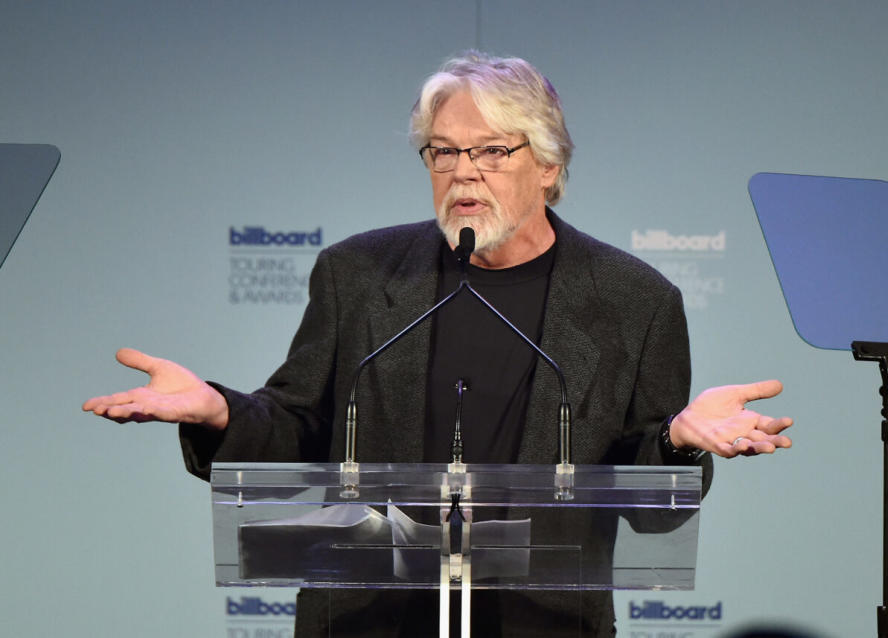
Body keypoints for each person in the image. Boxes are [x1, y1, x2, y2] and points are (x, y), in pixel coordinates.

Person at [83, 51, 793, 637]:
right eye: (443, 151)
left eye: (491, 151)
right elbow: (300, 427)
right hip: (366, 620)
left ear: (548, 166)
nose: (462, 173)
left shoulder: (635, 300)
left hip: (543, 624)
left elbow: (644, 498)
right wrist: (221, 414)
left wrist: (677, 444)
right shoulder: (359, 276)